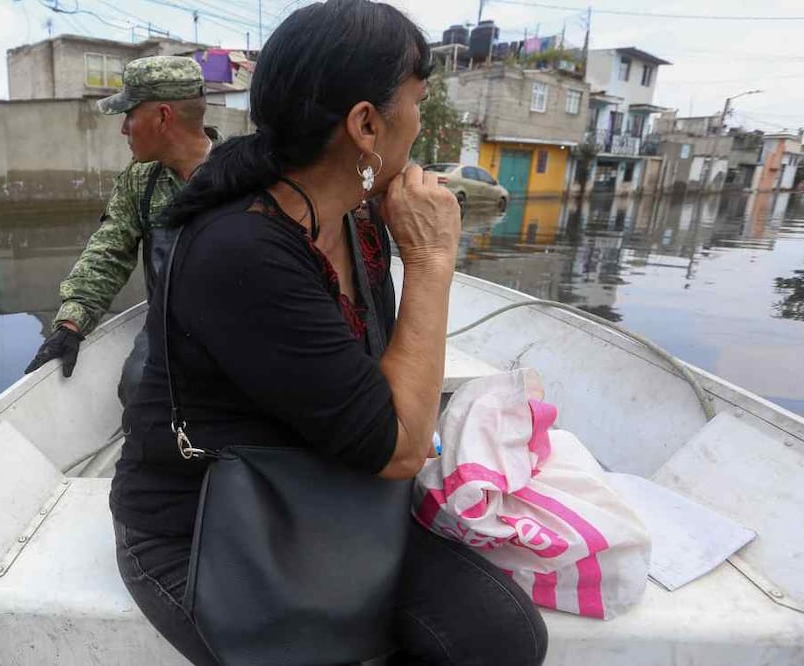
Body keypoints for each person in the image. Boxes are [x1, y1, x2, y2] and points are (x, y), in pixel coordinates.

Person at [111, 1, 548, 665]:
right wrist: (431, 262)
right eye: (417, 103)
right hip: (211, 520)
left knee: (501, 634)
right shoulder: (242, 249)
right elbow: (398, 448)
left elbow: (380, 393)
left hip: (335, 489)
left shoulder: (355, 219)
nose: (420, 123)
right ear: (367, 124)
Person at [24, 55, 219, 405]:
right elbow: (109, 251)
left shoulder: (242, 172)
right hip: (168, 328)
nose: (123, 129)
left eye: (129, 114)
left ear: (162, 116)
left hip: (237, 324)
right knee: (136, 388)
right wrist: (71, 323)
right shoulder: (140, 180)